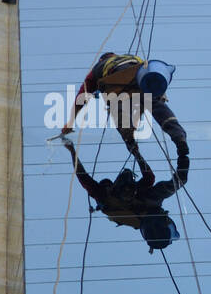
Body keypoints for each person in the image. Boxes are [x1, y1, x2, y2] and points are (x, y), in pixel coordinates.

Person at [61, 99, 190, 253]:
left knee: (164, 181)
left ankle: (120, 107)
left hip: (134, 204)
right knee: (161, 181)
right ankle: (123, 108)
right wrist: (136, 153)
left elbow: (84, 178)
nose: (127, 188)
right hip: (144, 203)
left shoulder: (110, 203)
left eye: (124, 189)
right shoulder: (149, 199)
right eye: (129, 188)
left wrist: (72, 151)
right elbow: (155, 178)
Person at [59, 52, 164, 186]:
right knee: (144, 99)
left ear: (102, 60)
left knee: (121, 113)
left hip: (117, 87)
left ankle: (130, 139)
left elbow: (82, 96)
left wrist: (70, 124)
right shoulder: (132, 58)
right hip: (140, 80)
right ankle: (158, 109)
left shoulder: (98, 69)